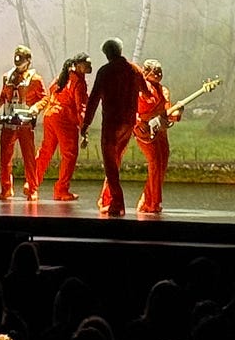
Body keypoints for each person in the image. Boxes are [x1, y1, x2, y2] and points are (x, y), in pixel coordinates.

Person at [81, 37, 148, 217]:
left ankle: (117, 203)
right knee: (115, 160)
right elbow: (146, 91)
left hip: (111, 123)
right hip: (128, 122)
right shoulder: (134, 70)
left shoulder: (105, 72)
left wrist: (86, 123)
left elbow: (94, 99)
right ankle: (110, 200)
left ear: (107, 54)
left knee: (110, 164)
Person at [36, 52, 92, 200]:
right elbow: (81, 107)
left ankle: (32, 183)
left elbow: (51, 89)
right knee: (69, 154)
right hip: (64, 118)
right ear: (78, 65)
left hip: (51, 115)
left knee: (46, 150)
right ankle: (61, 190)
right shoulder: (78, 83)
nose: (90, 66)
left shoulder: (64, 76)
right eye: (87, 63)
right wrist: (84, 130)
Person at [0, 45, 45, 200]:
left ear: (28, 60)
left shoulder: (35, 79)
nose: (17, 60)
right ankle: (6, 188)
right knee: (5, 157)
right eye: (16, 57)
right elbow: (3, 96)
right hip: (9, 121)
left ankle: (32, 188)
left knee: (28, 157)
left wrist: (36, 107)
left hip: (24, 123)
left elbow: (44, 97)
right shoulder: (7, 77)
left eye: (21, 57)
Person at [133, 59, 177, 214]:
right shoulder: (138, 90)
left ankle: (149, 202)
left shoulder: (164, 91)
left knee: (161, 165)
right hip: (145, 132)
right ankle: (152, 203)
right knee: (155, 164)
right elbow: (131, 110)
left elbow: (167, 111)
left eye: (160, 72)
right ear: (145, 72)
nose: (158, 75)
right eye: (155, 71)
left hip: (161, 132)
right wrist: (139, 122)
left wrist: (176, 113)